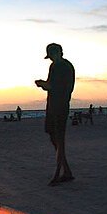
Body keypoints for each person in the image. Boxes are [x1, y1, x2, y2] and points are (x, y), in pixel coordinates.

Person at [36, 43, 75, 185]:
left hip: (61, 105)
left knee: (59, 137)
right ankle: (66, 170)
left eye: (51, 55)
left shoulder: (66, 67)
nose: (51, 59)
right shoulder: (53, 67)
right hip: (52, 104)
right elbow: (51, 85)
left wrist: (45, 85)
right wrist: (44, 85)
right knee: (52, 133)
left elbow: (62, 87)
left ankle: (59, 171)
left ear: (57, 53)